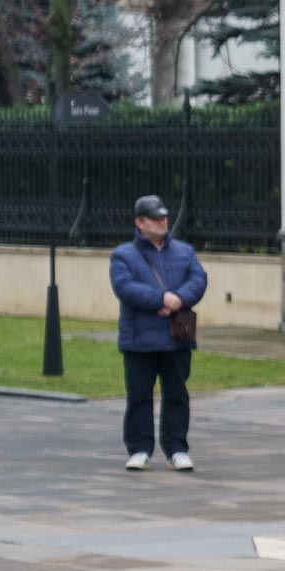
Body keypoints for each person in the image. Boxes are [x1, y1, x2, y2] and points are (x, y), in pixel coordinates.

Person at [109, 194, 206, 473]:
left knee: (177, 394)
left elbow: (198, 279)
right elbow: (125, 287)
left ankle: (177, 449)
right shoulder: (123, 255)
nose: (162, 221)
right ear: (139, 222)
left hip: (177, 338)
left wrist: (178, 298)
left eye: (164, 216)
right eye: (155, 217)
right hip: (139, 339)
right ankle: (139, 449)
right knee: (139, 395)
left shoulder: (185, 251)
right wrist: (162, 299)